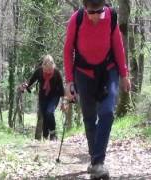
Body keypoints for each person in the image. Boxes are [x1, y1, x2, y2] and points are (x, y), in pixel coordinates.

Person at [63, 0, 131, 178]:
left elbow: (118, 46)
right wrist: (69, 81)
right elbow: (68, 49)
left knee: (107, 112)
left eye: (98, 12)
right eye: (90, 13)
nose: (93, 17)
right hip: (83, 73)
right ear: (85, 8)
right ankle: (95, 161)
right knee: (89, 117)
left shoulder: (111, 17)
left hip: (108, 70)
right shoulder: (76, 20)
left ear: (104, 7)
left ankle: (99, 162)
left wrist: (124, 75)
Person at [21, 55, 65, 141]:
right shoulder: (39, 71)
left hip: (54, 96)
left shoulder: (56, 73)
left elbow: (61, 88)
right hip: (43, 97)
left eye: (50, 69)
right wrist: (25, 87)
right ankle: (45, 136)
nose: (48, 71)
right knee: (45, 116)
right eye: (47, 69)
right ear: (43, 66)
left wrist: (64, 102)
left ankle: (53, 134)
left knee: (49, 112)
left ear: (53, 66)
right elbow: (31, 81)